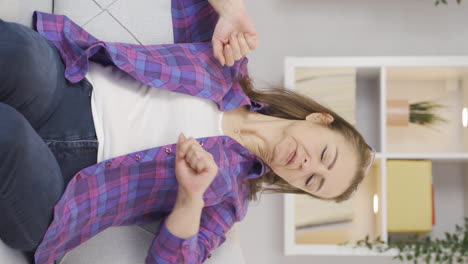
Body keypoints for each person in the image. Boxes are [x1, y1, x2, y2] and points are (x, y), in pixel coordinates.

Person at [0, 0, 374, 263]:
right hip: (68, 89)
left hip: (60, 191)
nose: (307, 164)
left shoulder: (226, 200)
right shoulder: (226, 66)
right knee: (23, 54)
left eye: (312, 180)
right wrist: (231, 10)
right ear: (319, 120)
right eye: (325, 155)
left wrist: (190, 197)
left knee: (9, 132)